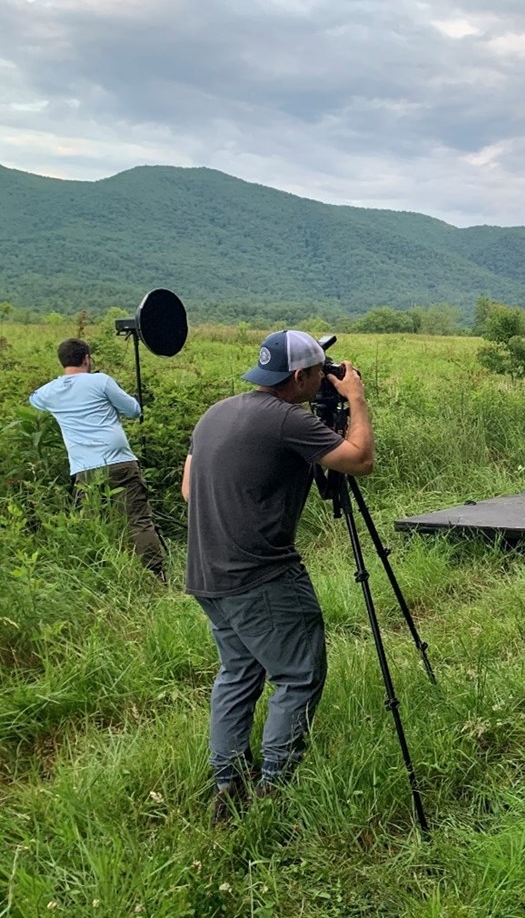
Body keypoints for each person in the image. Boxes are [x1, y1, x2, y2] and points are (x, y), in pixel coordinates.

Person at [181, 329, 374, 821]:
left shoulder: (215, 413)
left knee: (238, 672)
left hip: (206, 573)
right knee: (299, 674)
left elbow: (188, 490)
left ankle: (228, 784)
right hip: (261, 575)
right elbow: (360, 460)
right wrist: (355, 399)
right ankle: (274, 787)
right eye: (319, 373)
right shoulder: (287, 419)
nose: (323, 380)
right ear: (300, 376)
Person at [28, 337, 167, 580]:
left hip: (83, 468)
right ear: (86, 358)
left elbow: (34, 399)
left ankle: (101, 575)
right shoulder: (101, 381)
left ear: (62, 361)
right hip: (119, 461)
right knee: (138, 520)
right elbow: (134, 410)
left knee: (93, 523)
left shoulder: (49, 391)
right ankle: (156, 575)